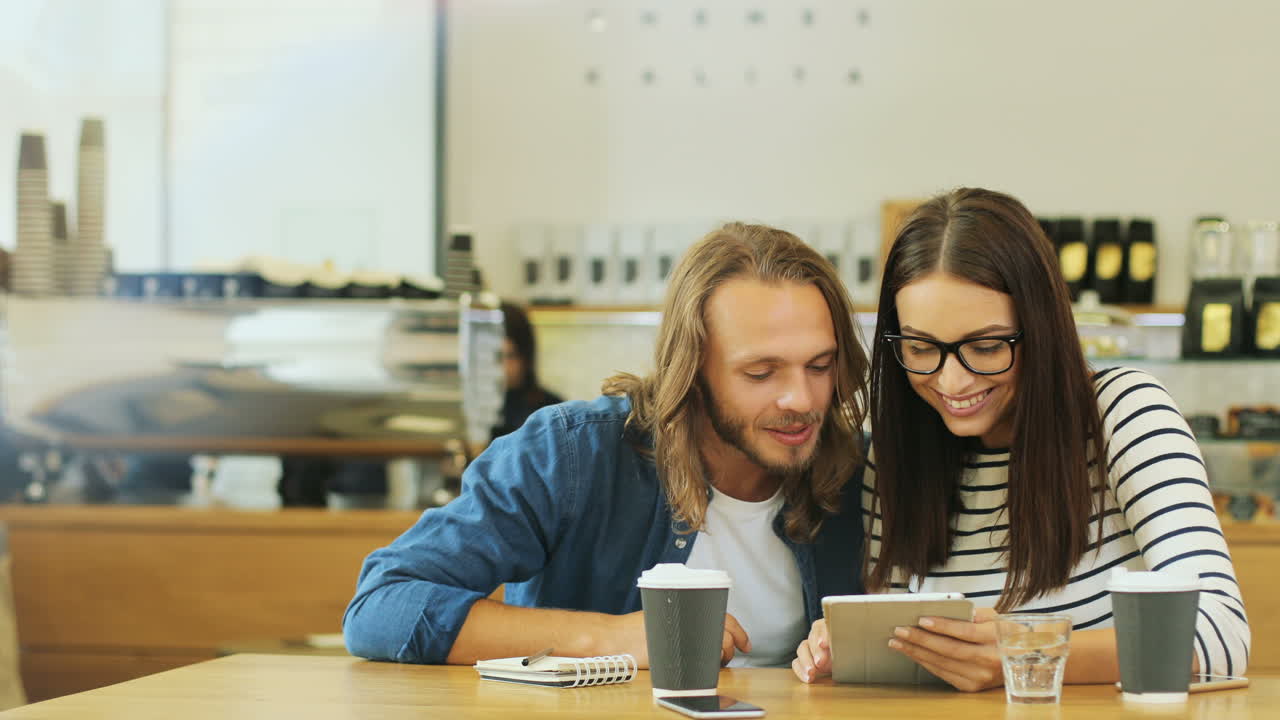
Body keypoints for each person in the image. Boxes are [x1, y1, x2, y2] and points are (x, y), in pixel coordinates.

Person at [344, 223, 870, 667]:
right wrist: (611, 639)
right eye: (760, 372)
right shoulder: (572, 455)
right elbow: (382, 606)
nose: (801, 399)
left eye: (820, 366)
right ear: (691, 370)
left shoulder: (860, 471)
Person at [793, 188, 1249, 689]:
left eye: (986, 346)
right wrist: (855, 644)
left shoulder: (1124, 413)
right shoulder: (895, 453)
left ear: (1042, 328)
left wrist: (1025, 648)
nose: (952, 382)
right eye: (921, 348)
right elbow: (905, 661)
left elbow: (1219, 637)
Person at [491, 302, 563, 440]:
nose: (500, 367)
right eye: (494, 357)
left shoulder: (551, 411)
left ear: (526, 356)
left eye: (510, 356)